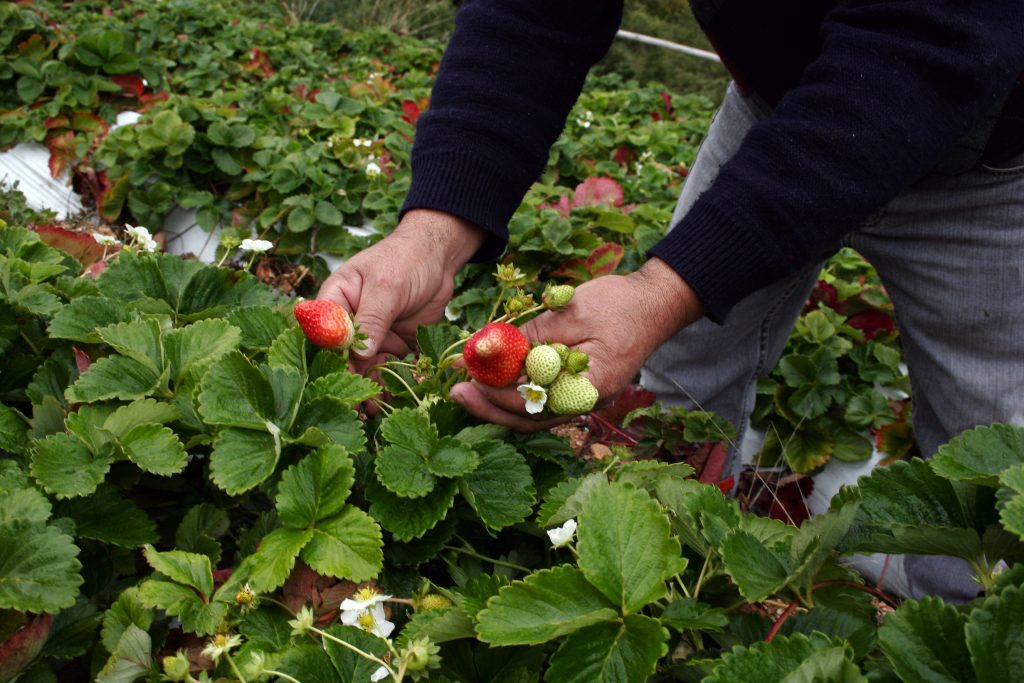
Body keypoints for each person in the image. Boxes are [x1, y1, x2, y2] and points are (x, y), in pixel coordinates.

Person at [319, 0, 1024, 599]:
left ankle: (961, 626)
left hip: (991, 153)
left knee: (994, 471)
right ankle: (664, 580)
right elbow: (532, 12)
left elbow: (928, 44)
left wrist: (665, 288)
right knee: (670, 388)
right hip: (779, 106)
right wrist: (435, 230)